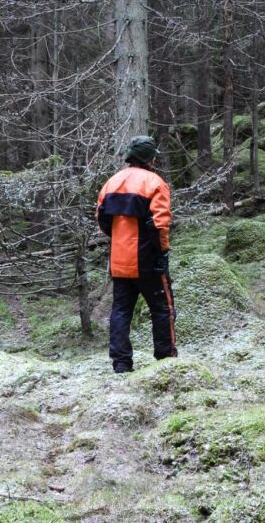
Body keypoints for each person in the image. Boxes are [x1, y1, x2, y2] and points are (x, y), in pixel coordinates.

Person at [96, 136, 176, 372]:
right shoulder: (155, 183)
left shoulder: (112, 182)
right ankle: (166, 359)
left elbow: (101, 219)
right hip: (147, 257)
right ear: (150, 158)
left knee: (121, 309)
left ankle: (121, 363)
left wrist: (119, 238)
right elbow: (160, 224)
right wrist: (162, 253)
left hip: (119, 257)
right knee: (162, 308)